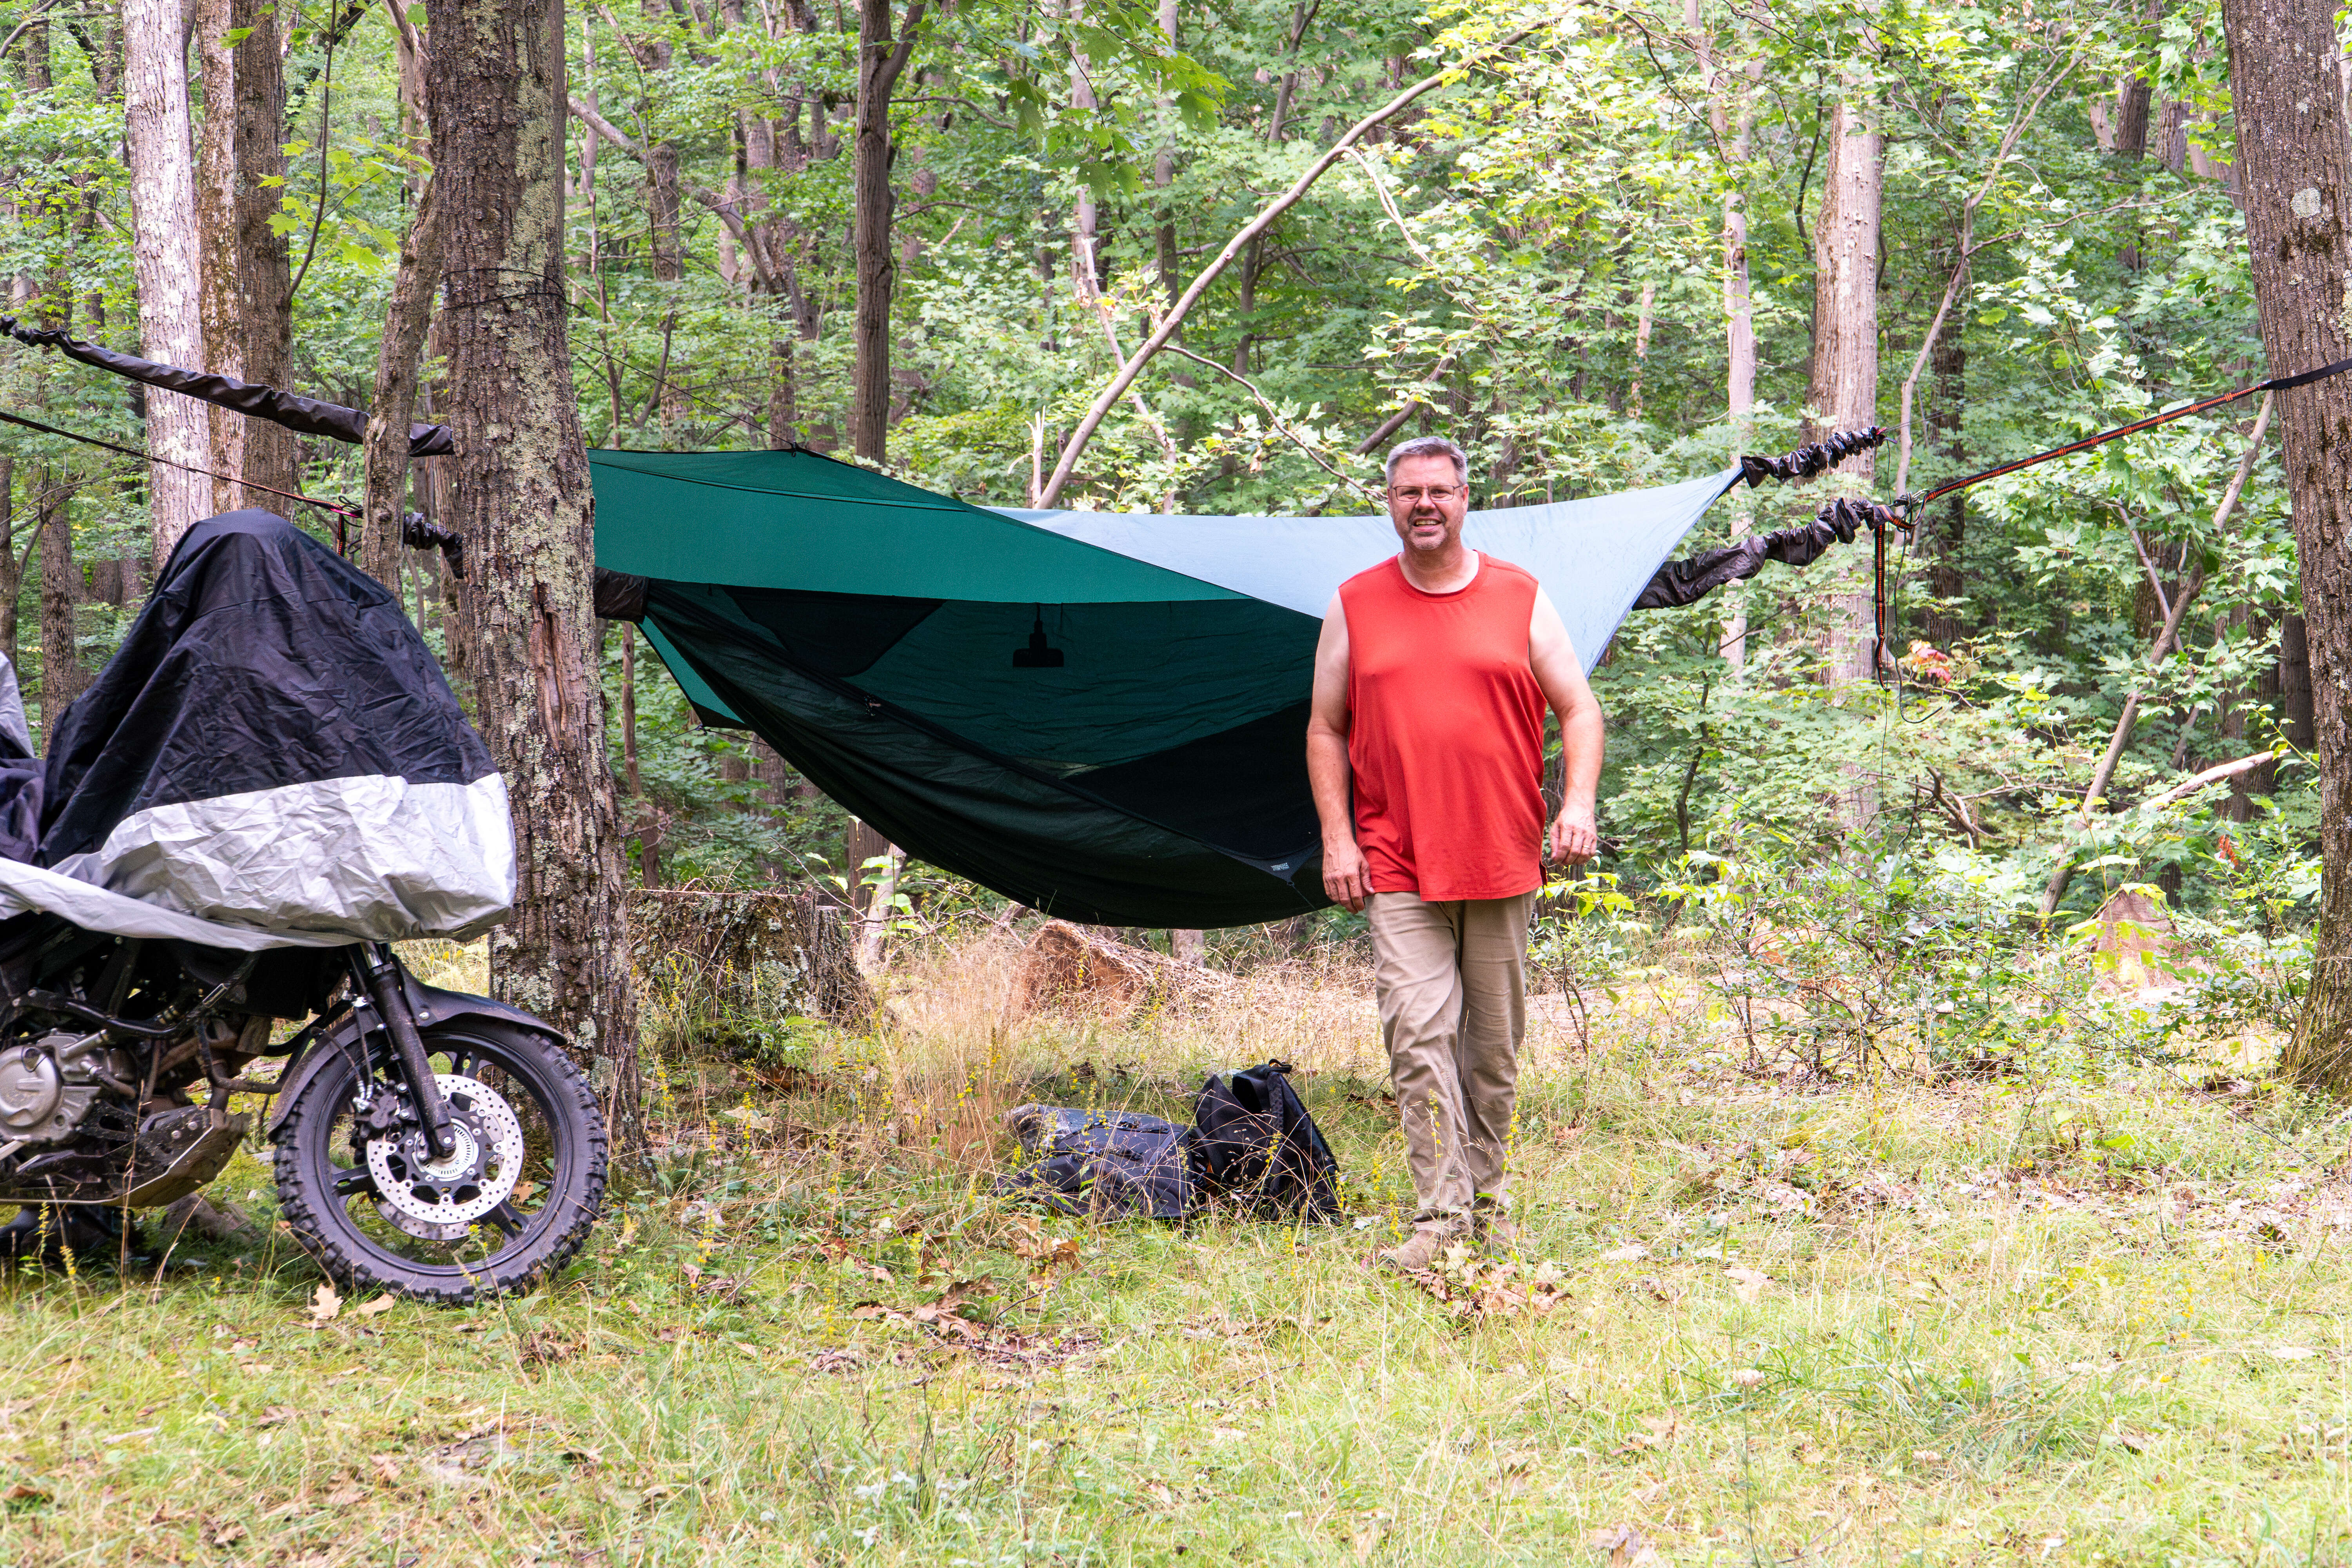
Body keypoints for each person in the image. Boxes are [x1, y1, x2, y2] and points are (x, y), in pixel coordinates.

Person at [1305, 435, 1603, 1270]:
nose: (1424, 503)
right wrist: (1339, 835)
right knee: (1417, 1034)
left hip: (1502, 852)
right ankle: (1438, 1224)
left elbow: (1580, 709)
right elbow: (1325, 727)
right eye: (1408, 492)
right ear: (1390, 502)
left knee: (1492, 1049)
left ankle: (1487, 1203)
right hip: (1397, 858)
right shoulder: (1356, 603)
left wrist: (1576, 803)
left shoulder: (1520, 596)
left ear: (1466, 498)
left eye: (1439, 490)